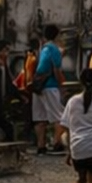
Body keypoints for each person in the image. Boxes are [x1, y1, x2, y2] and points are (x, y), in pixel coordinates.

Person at [32, 24, 66, 154]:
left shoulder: (43, 49)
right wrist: (61, 86)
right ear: (57, 35)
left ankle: (41, 145)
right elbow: (56, 70)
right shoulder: (54, 49)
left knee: (40, 118)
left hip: (38, 85)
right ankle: (56, 143)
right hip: (50, 85)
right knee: (61, 117)